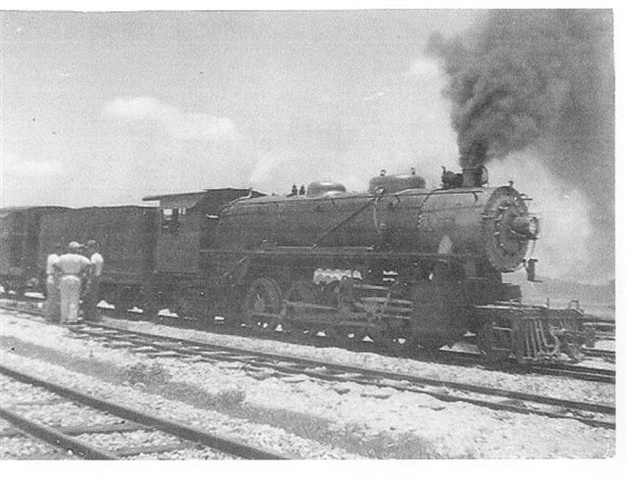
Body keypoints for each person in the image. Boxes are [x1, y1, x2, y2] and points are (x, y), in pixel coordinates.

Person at [54, 242, 91, 324]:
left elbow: (55, 265)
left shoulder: (62, 257)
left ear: (68, 248)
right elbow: (88, 264)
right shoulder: (81, 258)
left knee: (64, 299)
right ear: (77, 249)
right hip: (76, 277)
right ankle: (72, 319)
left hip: (65, 277)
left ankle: (63, 318)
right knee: (74, 299)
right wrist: (84, 273)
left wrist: (58, 275)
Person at [83, 240, 104, 321]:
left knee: (88, 297)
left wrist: (89, 279)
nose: (88, 250)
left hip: (93, 278)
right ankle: (92, 316)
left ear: (93, 248)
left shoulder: (94, 257)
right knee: (93, 297)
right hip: (97, 277)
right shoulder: (99, 256)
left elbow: (93, 268)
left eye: (89, 248)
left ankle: (88, 316)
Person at [45, 243, 63, 322]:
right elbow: (55, 268)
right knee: (55, 298)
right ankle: (53, 317)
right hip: (54, 278)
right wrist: (58, 281)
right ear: (59, 250)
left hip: (49, 277)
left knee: (50, 298)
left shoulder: (50, 256)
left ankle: (49, 315)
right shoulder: (57, 258)